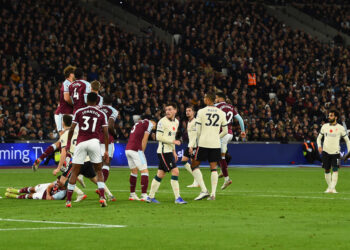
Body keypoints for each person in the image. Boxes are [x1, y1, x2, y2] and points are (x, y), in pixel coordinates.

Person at [53, 114, 116, 202]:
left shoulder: (65, 135)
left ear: (63, 123)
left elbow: (64, 152)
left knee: (62, 180)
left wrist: (58, 168)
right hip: (87, 159)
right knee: (95, 179)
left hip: (78, 160)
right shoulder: (79, 131)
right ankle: (110, 195)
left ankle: (80, 193)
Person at [65, 92, 109, 207]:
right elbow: (105, 133)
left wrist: (69, 144)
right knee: (99, 171)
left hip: (81, 142)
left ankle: (68, 201)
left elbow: (71, 129)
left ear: (86, 100)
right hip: (94, 142)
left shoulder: (79, 112)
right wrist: (106, 151)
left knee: (74, 171)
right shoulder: (101, 114)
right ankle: (102, 198)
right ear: (97, 101)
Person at [191, 92, 228, 201]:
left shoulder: (201, 111)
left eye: (204, 98)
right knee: (214, 168)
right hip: (215, 144)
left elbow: (197, 130)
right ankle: (213, 194)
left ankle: (204, 190)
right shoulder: (221, 112)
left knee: (194, 165)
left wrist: (195, 142)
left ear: (208, 100)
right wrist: (217, 136)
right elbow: (225, 131)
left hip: (203, 143)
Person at [147, 103, 187, 204]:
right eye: (166, 110)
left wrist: (174, 151)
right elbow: (158, 137)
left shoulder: (176, 122)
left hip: (169, 151)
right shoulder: (162, 122)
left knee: (160, 174)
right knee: (175, 171)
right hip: (163, 151)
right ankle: (177, 198)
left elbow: (172, 137)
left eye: (170, 109)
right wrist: (173, 142)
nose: (167, 111)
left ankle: (150, 197)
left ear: (175, 110)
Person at [215, 92, 246, 189]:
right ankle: (223, 170)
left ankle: (227, 179)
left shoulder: (216, 106)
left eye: (216, 98)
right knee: (221, 153)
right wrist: (243, 131)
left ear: (220, 98)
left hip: (222, 134)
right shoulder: (231, 107)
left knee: (221, 156)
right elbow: (240, 120)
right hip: (230, 134)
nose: (215, 99)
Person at [317, 110, 350, 193]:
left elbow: (347, 141)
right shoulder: (324, 126)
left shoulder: (341, 128)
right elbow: (318, 138)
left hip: (336, 153)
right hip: (325, 152)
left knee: (335, 169)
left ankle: (332, 188)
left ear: (336, 117)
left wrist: (349, 152)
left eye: (331, 115)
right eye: (329, 115)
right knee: (327, 170)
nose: (329, 117)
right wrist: (319, 146)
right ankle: (330, 187)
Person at [125, 119, 156, 201]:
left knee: (134, 171)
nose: (154, 127)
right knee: (145, 171)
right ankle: (144, 195)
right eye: (155, 125)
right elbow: (145, 139)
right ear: (152, 121)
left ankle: (132, 194)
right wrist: (142, 151)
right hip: (136, 149)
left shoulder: (139, 123)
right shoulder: (149, 124)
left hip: (128, 149)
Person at [98, 96, 118, 189]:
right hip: (106, 138)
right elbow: (110, 126)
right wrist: (115, 134)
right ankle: (102, 188)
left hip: (95, 138)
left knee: (98, 164)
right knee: (106, 163)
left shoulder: (97, 108)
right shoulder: (113, 110)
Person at [180, 106, 199, 188]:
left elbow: (195, 136)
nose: (187, 112)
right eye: (186, 111)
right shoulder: (189, 122)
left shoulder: (195, 122)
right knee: (184, 161)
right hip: (190, 145)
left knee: (193, 164)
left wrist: (191, 147)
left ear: (193, 112)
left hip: (194, 146)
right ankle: (196, 180)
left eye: (189, 111)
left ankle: (197, 181)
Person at [54, 65, 75, 135]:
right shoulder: (66, 83)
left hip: (70, 113)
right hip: (62, 113)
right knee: (63, 136)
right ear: (70, 74)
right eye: (74, 73)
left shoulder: (73, 84)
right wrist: (75, 105)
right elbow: (66, 98)